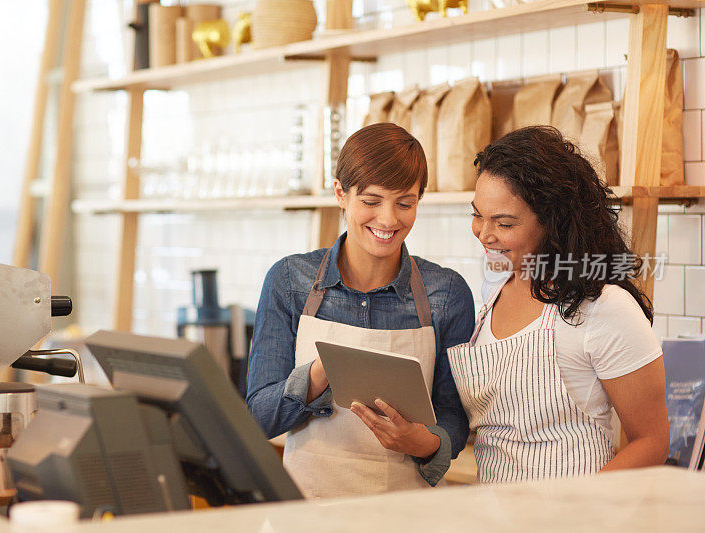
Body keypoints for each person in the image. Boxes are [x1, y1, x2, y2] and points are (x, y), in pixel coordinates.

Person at [246, 123, 474, 499]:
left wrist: (424, 443)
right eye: (371, 201)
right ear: (340, 193)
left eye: (405, 203)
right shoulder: (290, 281)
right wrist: (321, 373)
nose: (388, 220)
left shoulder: (446, 293)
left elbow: (453, 416)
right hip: (310, 510)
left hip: (407, 513)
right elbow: (257, 417)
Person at [448, 125, 669, 483]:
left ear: (552, 221)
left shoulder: (603, 306)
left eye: (503, 223)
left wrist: (574, 507)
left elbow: (652, 442)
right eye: (477, 215)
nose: (484, 234)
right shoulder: (495, 290)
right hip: (494, 512)